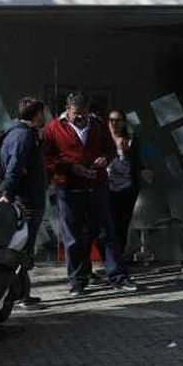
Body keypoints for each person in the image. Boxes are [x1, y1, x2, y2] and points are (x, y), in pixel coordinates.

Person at [42, 91, 139, 294]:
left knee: (107, 232)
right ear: (68, 109)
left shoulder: (97, 124)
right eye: (77, 113)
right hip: (69, 188)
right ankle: (78, 281)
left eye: (85, 113)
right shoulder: (53, 128)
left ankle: (118, 277)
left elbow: (110, 149)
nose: (81, 117)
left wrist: (105, 158)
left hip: (97, 186)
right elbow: (48, 159)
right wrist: (71, 167)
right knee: (74, 236)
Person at [0, 97, 48, 307]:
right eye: (42, 112)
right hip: (26, 201)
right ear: (36, 113)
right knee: (23, 250)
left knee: (23, 249)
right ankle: (19, 295)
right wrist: (7, 193)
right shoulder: (22, 136)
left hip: (27, 198)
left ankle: (22, 294)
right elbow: (15, 167)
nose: (44, 116)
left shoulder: (20, 133)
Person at [104, 110, 150, 264]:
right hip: (106, 187)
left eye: (118, 120)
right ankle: (108, 258)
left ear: (123, 122)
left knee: (122, 224)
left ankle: (118, 258)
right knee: (106, 224)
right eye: (111, 120)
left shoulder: (130, 138)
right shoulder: (102, 138)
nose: (114, 124)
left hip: (127, 187)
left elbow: (137, 160)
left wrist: (126, 150)